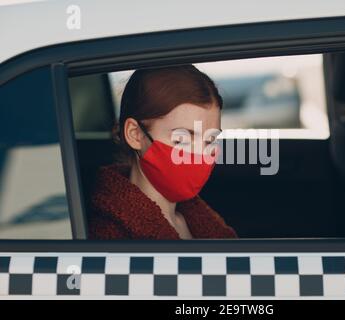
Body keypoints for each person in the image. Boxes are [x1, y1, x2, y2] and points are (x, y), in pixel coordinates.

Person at [88, 65, 237, 240]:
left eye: (209, 140)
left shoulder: (200, 222)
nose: (200, 154)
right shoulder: (110, 237)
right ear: (135, 134)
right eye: (182, 140)